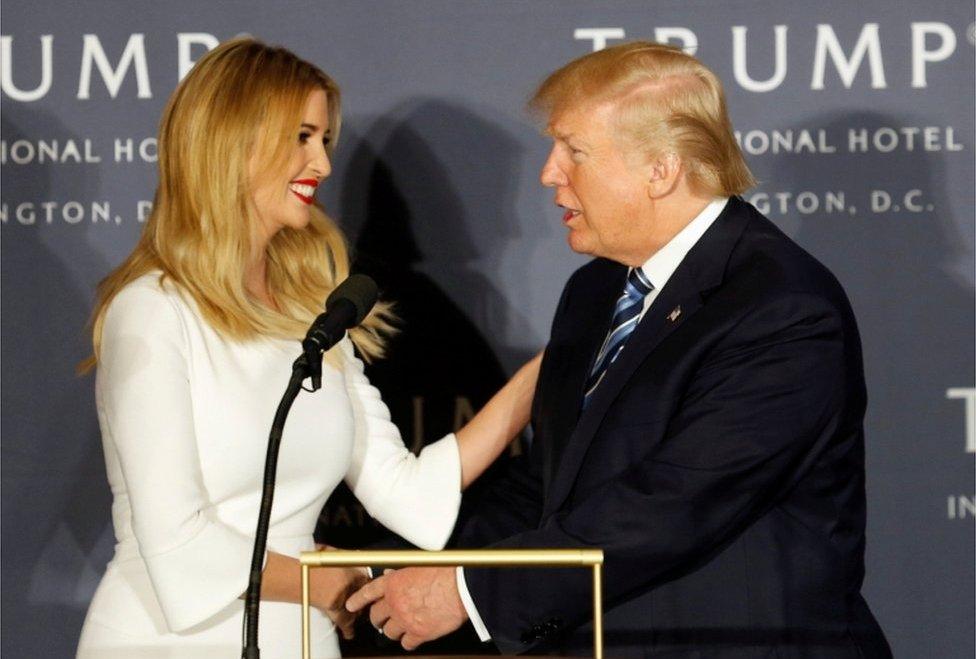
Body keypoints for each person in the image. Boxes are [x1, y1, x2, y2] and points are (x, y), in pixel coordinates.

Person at [347, 42, 892, 658]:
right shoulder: (597, 288)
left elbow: (674, 504)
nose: (550, 173)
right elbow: (553, 489)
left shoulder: (780, 309)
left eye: (574, 151)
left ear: (661, 170)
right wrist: (394, 573)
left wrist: (468, 590)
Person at [74, 37, 539, 659]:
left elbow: (411, 494)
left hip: (299, 638)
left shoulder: (311, 318)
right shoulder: (152, 312)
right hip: (165, 641)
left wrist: (552, 366)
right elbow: (176, 543)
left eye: (323, 140)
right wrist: (322, 578)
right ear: (231, 141)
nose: (320, 164)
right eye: (301, 137)